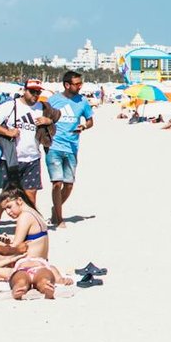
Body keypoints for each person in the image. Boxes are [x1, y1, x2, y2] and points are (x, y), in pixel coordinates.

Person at [0, 79, 51, 201]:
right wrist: (8, 132)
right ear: (24, 90)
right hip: (12, 158)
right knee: (8, 194)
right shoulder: (11, 105)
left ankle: (28, 219)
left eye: (38, 92)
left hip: (33, 157)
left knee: (31, 194)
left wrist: (49, 121)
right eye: (32, 92)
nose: (35, 95)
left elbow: (56, 118)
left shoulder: (43, 107)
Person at [45, 70, 94, 229]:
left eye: (81, 83)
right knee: (56, 183)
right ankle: (59, 219)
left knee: (69, 185)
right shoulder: (53, 100)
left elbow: (90, 120)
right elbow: (44, 119)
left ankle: (56, 208)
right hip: (54, 146)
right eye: (77, 84)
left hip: (72, 147)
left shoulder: (83, 102)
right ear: (67, 85)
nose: (80, 87)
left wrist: (84, 126)